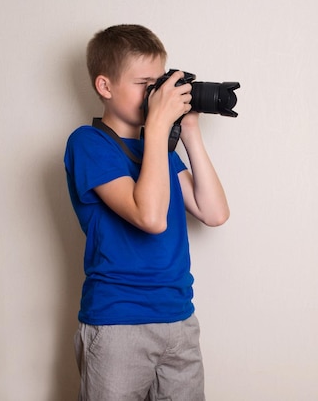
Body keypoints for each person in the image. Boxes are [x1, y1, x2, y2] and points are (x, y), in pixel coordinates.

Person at [64, 24, 230, 400]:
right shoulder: (88, 144)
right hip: (117, 324)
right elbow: (150, 217)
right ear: (105, 87)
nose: (155, 95)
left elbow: (214, 212)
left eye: (159, 83)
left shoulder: (159, 152)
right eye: (144, 84)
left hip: (179, 320)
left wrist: (188, 131)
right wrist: (157, 126)